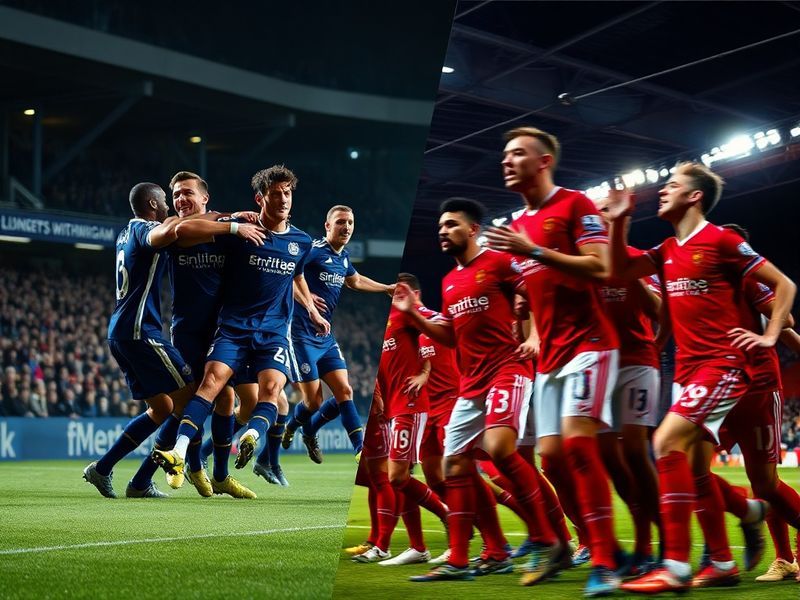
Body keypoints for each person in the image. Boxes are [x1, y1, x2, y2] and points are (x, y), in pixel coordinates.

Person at [605, 163, 796, 593]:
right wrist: (618, 223)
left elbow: (784, 286)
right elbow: (618, 270)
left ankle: (676, 565)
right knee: (692, 467)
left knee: (668, 443)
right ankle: (723, 560)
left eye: (672, 186)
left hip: (727, 366)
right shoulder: (667, 250)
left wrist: (769, 334)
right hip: (691, 372)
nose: (662, 191)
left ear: (694, 196)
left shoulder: (723, 240)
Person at [485, 127, 621, 596]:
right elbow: (536, 282)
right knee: (551, 460)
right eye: (504, 154)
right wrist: (526, 309)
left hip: (592, 344)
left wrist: (535, 252)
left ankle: (606, 559)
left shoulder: (576, 204)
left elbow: (600, 267)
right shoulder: (517, 224)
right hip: (551, 357)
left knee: (580, 448)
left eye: (518, 154)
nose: (506, 161)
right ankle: (574, 545)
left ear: (544, 161)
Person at [401, 198, 562, 585]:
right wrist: (412, 314)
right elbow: (451, 337)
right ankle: (459, 559)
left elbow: (533, 294)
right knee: (454, 466)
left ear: (473, 229)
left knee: (500, 449)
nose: (443, 231)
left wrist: (536, 335)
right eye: (440, 225)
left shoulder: (500, 263)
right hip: (470, 384)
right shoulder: (449, 281)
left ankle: (546, 537)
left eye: (452, 224)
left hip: (509, 368)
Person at [151, 165, 330, 481]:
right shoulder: (240, 231)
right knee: (211, 385)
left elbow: (296, 275)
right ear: (260, 198)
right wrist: (231, 224)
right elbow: (186, 232)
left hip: (273, 331)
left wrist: (313, 311)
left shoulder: (301, 241)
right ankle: (178, 453)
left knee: (272, 390)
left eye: (287, 193)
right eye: (276, 194)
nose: (284, 199)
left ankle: (252, 437)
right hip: (232, 327)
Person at [83, 182, 257, 498]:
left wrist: (227, 216)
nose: (170, 206)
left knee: (162, 407)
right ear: (153, 203)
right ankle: (184, 467)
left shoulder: (124, 232)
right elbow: (170, 232)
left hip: (121, 333)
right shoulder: (143, 230)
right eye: (166, 199)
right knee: (193, 401)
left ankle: (104, 468)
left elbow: (180, 225)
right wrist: (233, 226)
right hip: (140, 332)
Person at [280, 205, 394, 468]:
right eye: (341, 222)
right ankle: (294, 428)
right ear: (327, 226)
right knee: (313, 401)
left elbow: (354, 281)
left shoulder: (342, 258)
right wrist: (308, 303)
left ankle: (358, 448)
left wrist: (385, 287)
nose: (347, 227)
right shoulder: (314, 250)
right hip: (300, 335)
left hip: (325, 336)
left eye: (351, 222)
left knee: (345, 390)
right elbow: (287, 275)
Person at [353, 273, 447, 566]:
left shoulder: (407, 314)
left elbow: (436, 329)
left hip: (411, 403)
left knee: (397, 476)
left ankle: (450, 517)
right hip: (393, 408)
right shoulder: (389, 319)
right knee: (400, 479)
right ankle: (418, 547)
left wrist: (425, 373)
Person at [593, 195, 663, 574]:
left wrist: (627, 274)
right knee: (611, 461)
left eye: (604, 209)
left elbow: (658, 310)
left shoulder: (637, 258)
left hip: (637, 362)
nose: (598, 215)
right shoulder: (585, 264)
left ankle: (656, 541)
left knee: (636, 452)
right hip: (599, 366)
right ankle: (645, 533)